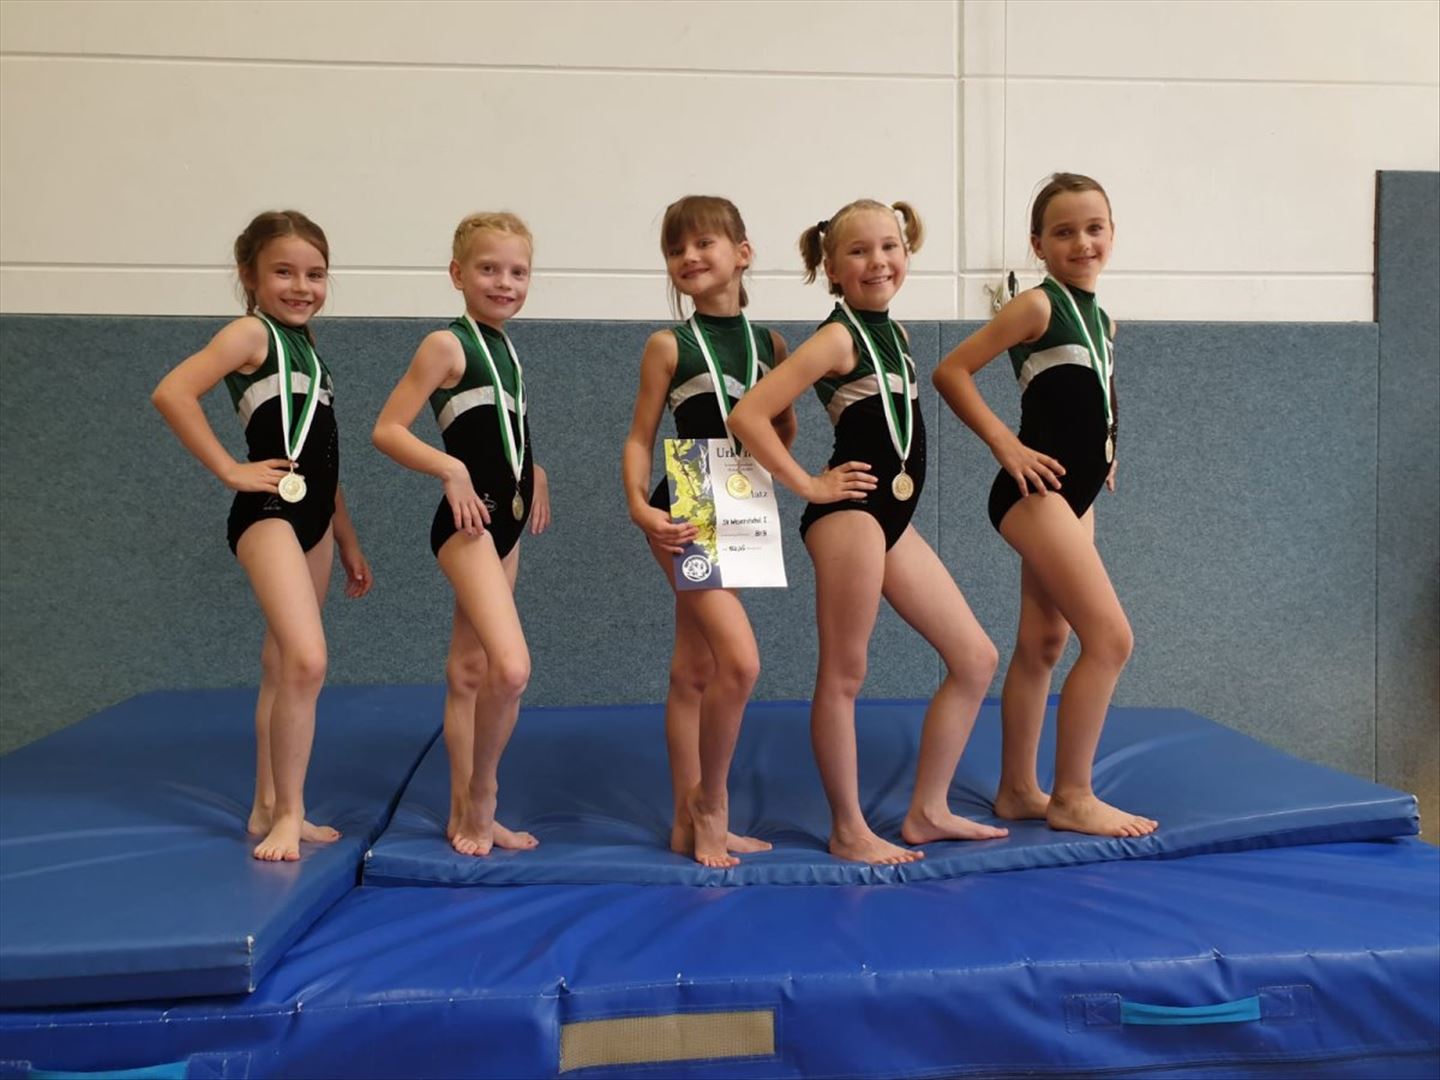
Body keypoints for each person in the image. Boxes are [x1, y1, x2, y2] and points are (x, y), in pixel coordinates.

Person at [729, 199, 1006, 865]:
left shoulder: (896, 334)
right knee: (846, 672)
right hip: (849, 517)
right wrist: (808, 483)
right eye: (858, 251)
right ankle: (848, 828)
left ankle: (928, 810)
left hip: (890, 517)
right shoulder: (837, 339)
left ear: (906, 254)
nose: (877, 261)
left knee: (975, 658)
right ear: (831, 267)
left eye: (889, 247)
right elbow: (749, 415)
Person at [932, 173, 1158, 838]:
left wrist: (1108, 453)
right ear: (1038, 244)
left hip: (1074, 494)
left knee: (1043, 642)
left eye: (1094, 229)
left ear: (1112, 234)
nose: (1081, 242)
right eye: (1064, 232)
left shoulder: (1101, 319)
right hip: (1036, 492)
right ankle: (1074, 795)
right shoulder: (1036, 306)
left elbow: (1091, 396)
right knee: (1111, 640)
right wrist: (1004, 443)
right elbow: (951, 371)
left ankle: (1016, 789)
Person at [152, 210, 373, 862]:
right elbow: (172, 392)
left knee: (281, 667)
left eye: (315, 274)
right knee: (307, 659)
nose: (302, 287)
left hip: (314, 518)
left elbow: (321, 456)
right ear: (250, 276)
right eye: (284, 272)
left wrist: (347, 536)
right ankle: (291, 815)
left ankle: (267, 805)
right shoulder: (250, 333)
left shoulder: (310, 353)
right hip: (269, 512)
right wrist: (229, 469)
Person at [620, 196, 796, 869]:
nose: (689, 257)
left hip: (743, 501)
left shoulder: (771, 345)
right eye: (676, 249)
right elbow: (640, 437)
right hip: (687, 502)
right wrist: (638, 506)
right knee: (740, 663)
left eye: (703, 244)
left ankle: (681, 822)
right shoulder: (670, 345)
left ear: (742, 253)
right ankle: (709, 806)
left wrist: (774, 460)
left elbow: (781, 428)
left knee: (694, 669)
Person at [372, 212, 551, 857]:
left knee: (470, 670)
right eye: (488, 269)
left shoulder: (506, 349)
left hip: (506, 521)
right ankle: (482, 796)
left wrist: (534, 470)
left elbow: (497, 433)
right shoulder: (446, 345)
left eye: (517, 272)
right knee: (512, 668)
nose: (504, 282)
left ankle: (460, 810)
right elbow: (387, 429)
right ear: (457, 274)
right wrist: (449, 470)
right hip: (468, 524)